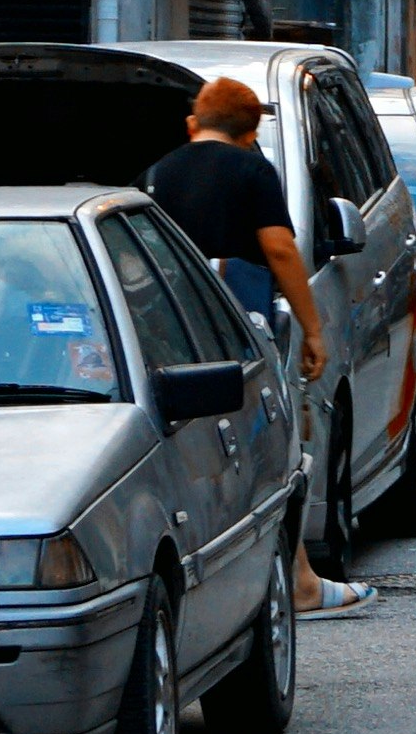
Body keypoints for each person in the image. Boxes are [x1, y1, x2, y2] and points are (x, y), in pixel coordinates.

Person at [146, 75, 365, 615]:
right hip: (240, 335)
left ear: (193, 123)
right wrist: (313, 330)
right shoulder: (252, 169)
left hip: (172, 340)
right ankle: (301, 582)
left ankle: (262, 580)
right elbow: (281, 250)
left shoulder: (154, 175)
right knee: (277, 448)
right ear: (251, 134)